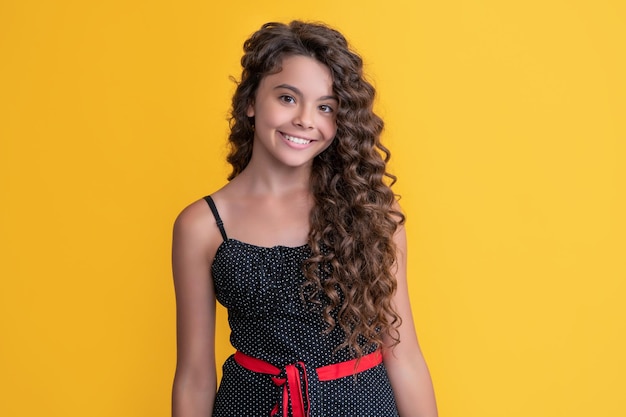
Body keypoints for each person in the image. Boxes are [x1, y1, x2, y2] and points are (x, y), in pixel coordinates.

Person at [171, 21, 437, 417]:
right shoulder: (201, 225)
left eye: (325, 107)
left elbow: (404, 354)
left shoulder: (372, 213)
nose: (305, 120)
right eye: (287, 98)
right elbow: (194, 376)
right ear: (250, 101)